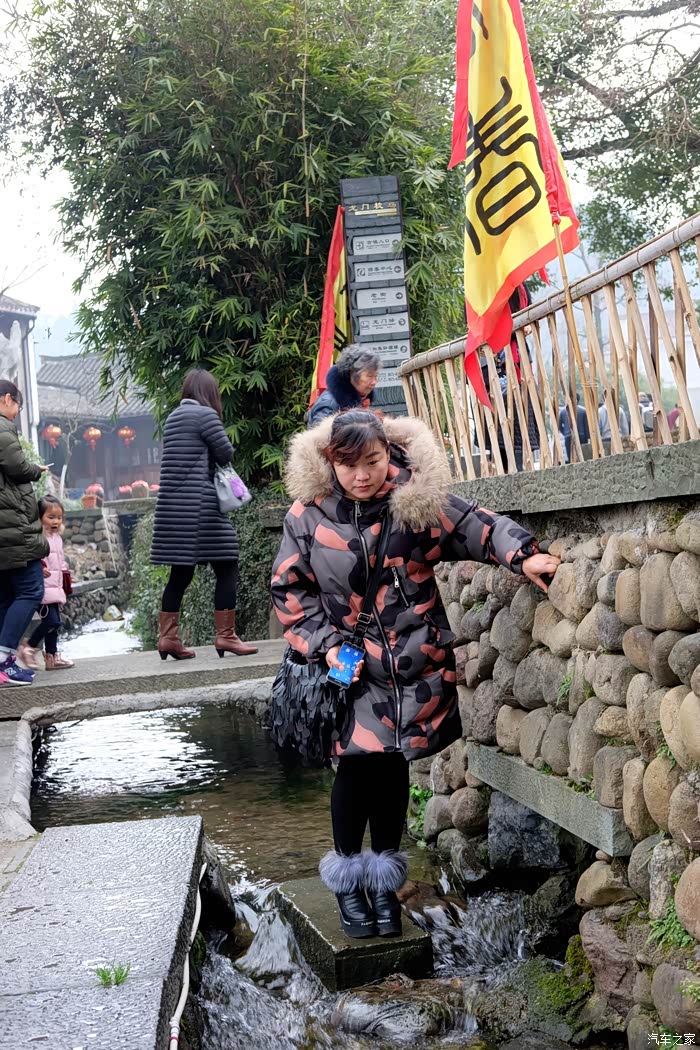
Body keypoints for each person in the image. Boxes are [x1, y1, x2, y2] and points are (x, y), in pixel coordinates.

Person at [271, 410, 558, 939]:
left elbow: (476, 526)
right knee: (354, 766)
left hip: (409, 664)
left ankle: (385, 881)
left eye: (373, 461)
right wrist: (326, 646)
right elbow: (289, 589)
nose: (362, 476)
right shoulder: (307, 515)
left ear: (389, 453)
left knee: (392, 764)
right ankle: (348, 882)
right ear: (330, 461)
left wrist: (524, 556)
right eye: (349, 465)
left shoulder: (416, 501)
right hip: (348, 669)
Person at [151, 369, 257, 660]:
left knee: (180, 572)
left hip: (172, 509)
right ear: (210, 393)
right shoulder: (206, 416)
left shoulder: (173, 417)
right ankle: (226, 636)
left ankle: (168, 638)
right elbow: (225, 454)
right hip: (200, 506)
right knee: (227, 563)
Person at [0, 380, 50, 685]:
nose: (17, 412)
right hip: (13, 529)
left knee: (6, 597)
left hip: (4, 532)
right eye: (18, 405)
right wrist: (36, 470)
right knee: (31, 590)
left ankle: (3, 664)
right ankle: (3, 662)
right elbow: (17, 466)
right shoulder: (2, 428)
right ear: (7, 398)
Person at [18, 496, 74, 670]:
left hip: (55, 588)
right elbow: (30, 557)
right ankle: (28, 647)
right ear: (40, 517)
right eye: (51, 517)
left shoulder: (57, 538)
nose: (56, 521)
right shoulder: (38, 537)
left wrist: (65, 576)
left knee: (54, 625)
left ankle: (52, 657)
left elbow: (60, 561)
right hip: (42, 588)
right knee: (52, 622)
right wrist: (39, 568)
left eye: (59, 517)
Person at [308, 345, 379, 428]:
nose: (374, 382)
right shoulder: (329, 404)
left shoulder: (362, 399)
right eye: (369, 376)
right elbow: (320, 434)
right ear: (351, 374)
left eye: (376, 376)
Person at [558, 394, 590, 463]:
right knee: (582, 457)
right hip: (581, 436)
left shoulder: (563, 411)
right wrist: (587, 437)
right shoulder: (583, 411)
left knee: (571, 457)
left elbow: (559, 426)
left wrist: (565, 433)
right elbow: (586, 426)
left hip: (568, 436)